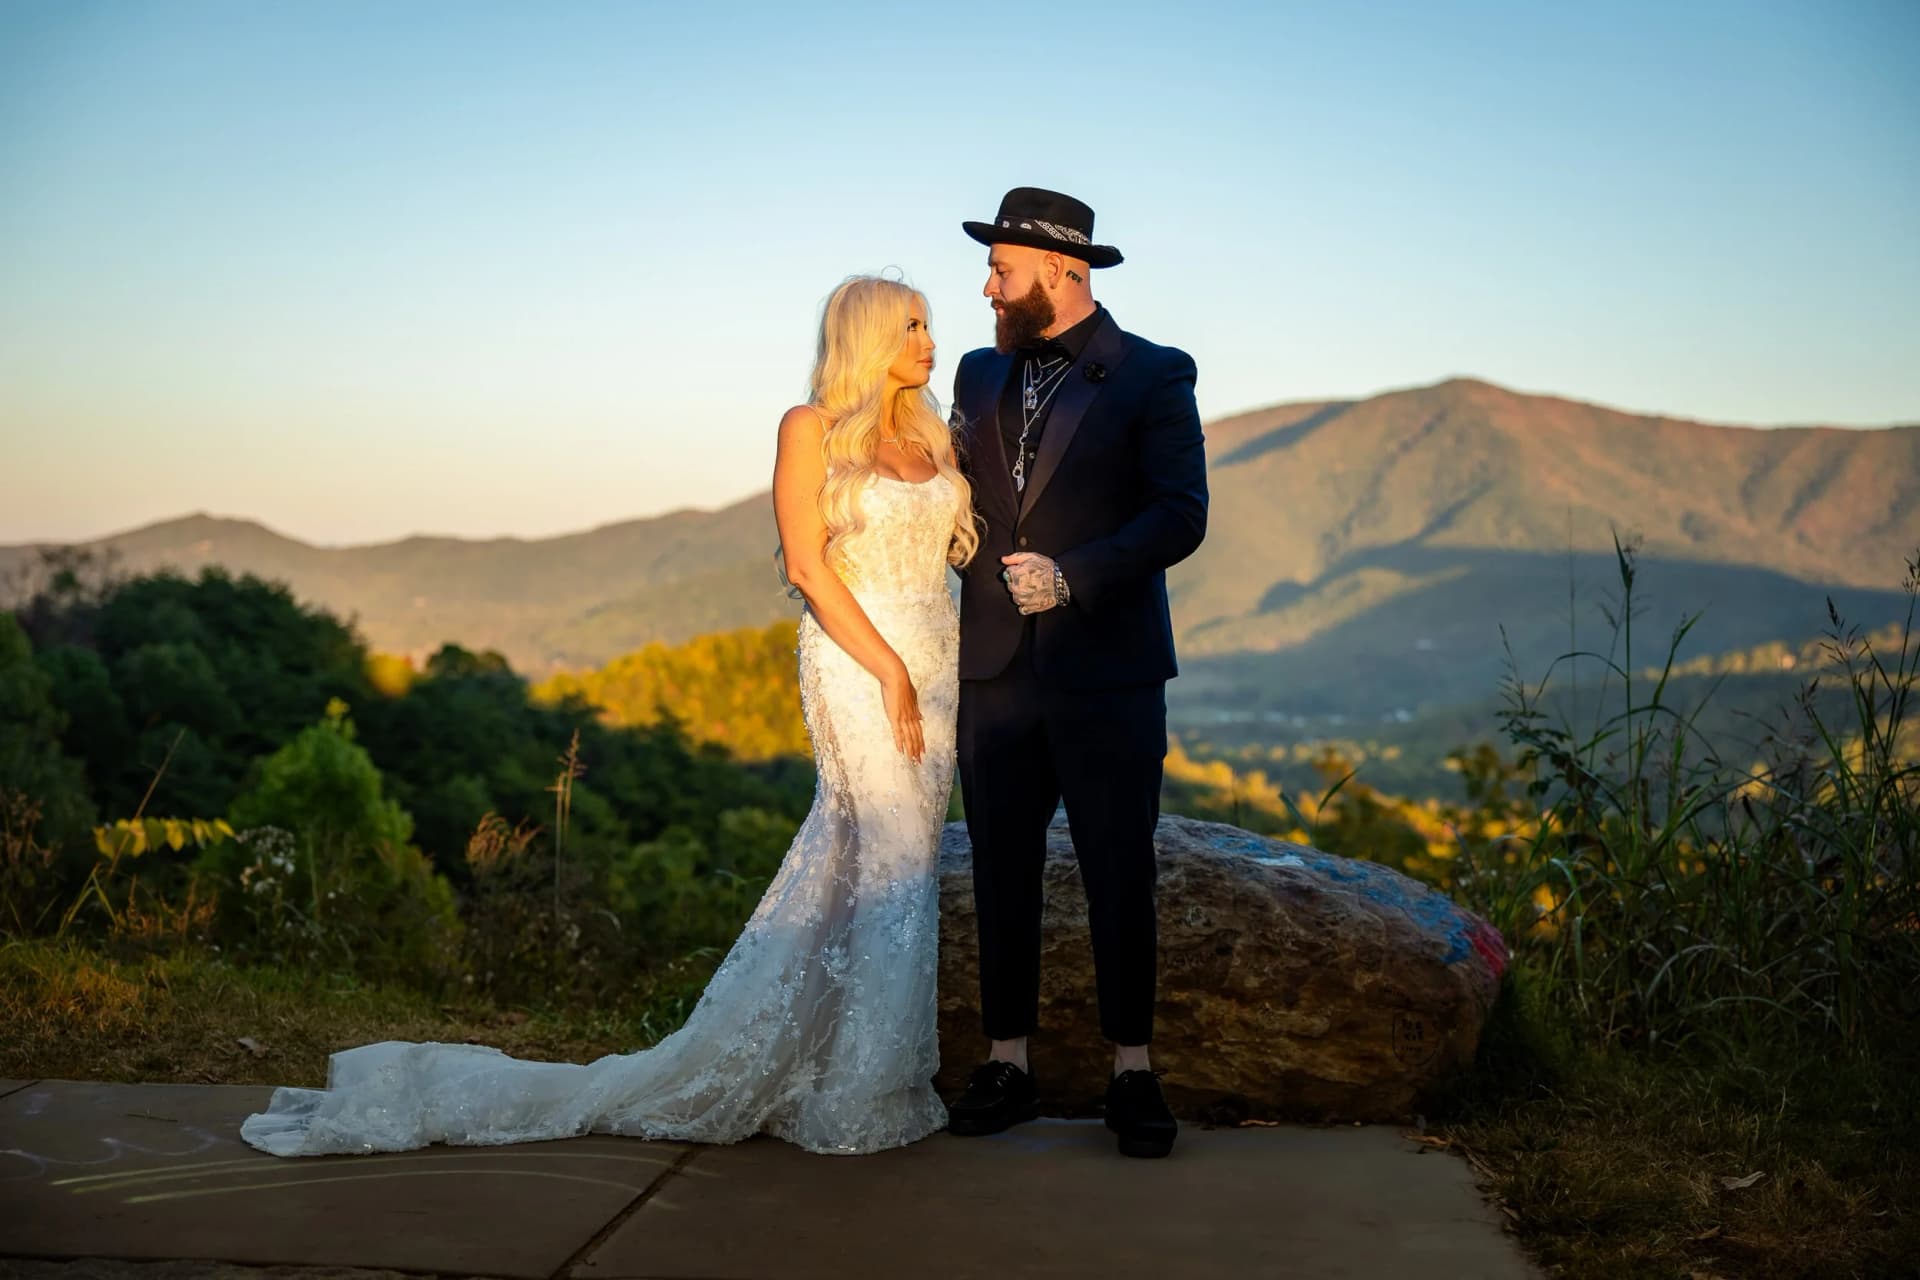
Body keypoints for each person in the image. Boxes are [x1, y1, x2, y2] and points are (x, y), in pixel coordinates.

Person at [240, 275, 978, 1158]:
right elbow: (809, 569)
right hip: (861, 667)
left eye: (929, 323)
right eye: (911, 324)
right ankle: (861, 1093)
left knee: (890, 870)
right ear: (865, 336)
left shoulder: (930, 434)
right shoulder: (809, 427)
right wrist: (890, 671)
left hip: (940, 673)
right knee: (889, 861)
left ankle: (848, 1066)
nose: (930, 339)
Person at [942, 188, 1208, 1158]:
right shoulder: (975, 373)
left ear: (1062, 272)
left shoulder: (1152, 374)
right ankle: (1007, 1060)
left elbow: (1182, 514)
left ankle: (1131, 1071)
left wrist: (1075, 574)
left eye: (1001, 269)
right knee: (1000, 872)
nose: (987, 286)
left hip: (1110, 673)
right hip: (994, 671)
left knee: (1118, 871)